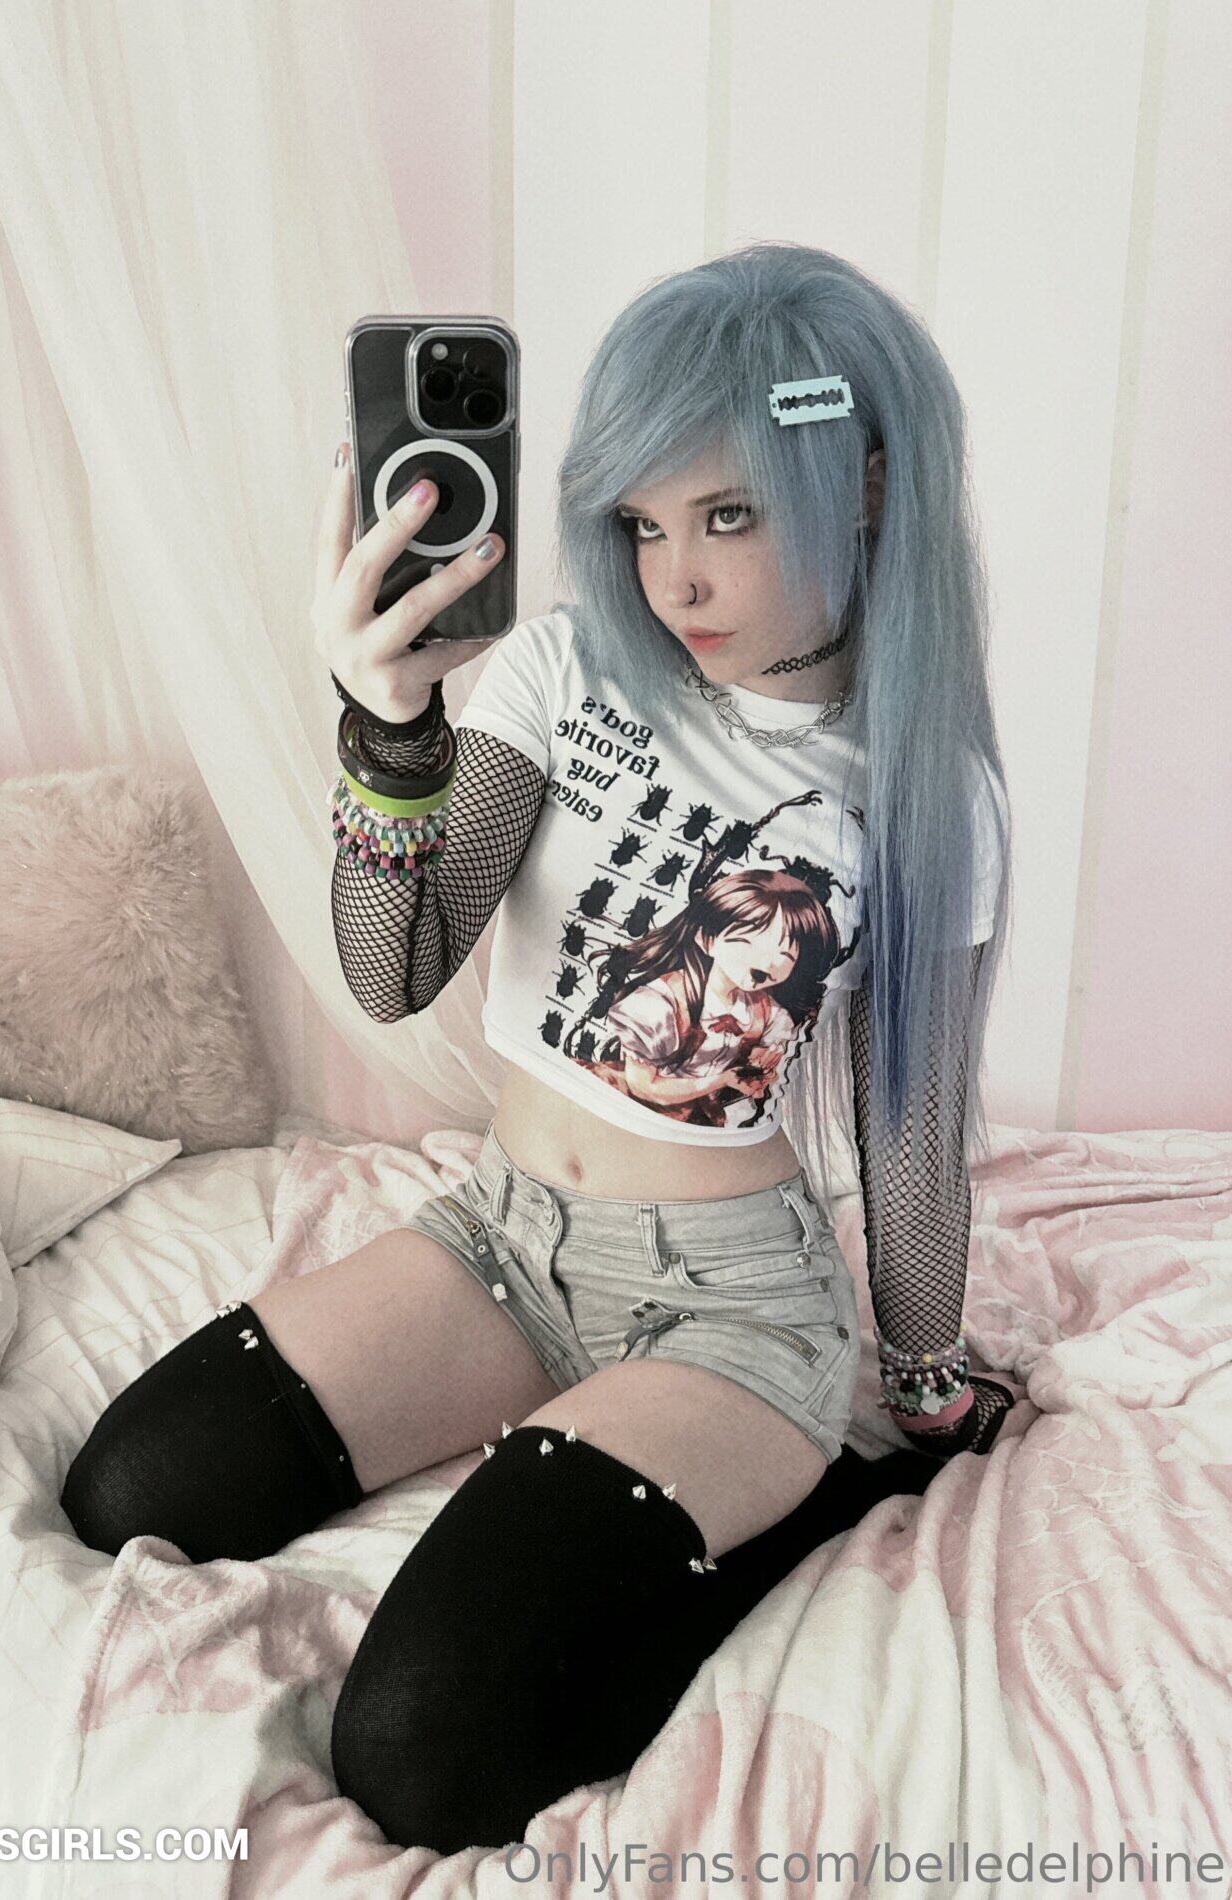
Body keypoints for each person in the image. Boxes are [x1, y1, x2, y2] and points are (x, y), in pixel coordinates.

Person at [61, 241, 1022, 1854]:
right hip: (502, 1240)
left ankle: (811, 1497)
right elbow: (396, 968)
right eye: (642, 524)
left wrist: (922, 1392)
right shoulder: (567, 668)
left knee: (421, 1751)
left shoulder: (919, 793)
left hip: (730, 1309)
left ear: (860, 484)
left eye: (729, 517)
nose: (674, 583)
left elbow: (907, 1134)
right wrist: (389, 725)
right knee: (134, 1493)